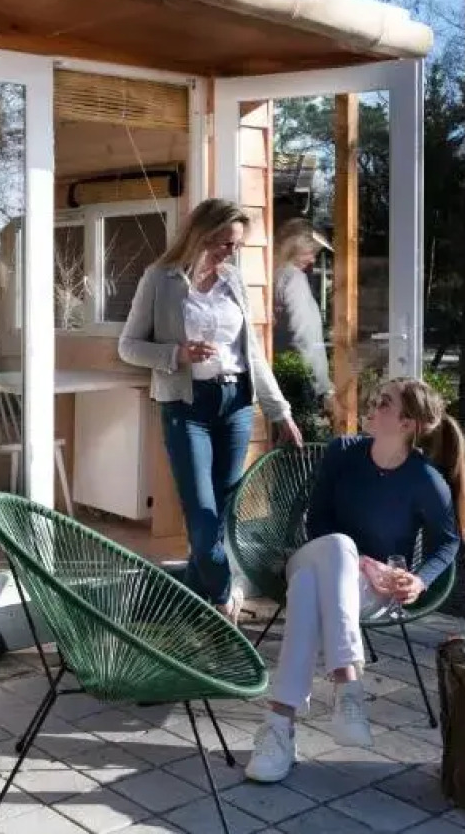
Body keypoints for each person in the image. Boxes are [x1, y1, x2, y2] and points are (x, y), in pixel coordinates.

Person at [245, 376, 465, 784]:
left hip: (367, 592)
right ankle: (347, 684)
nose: (372, 406)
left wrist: (419, 581)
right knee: (336, 546)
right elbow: (318, 522)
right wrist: (361, 559)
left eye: (384, 403)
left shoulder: (426, 481)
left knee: (306, 593)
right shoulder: (343, 452)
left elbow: (447, 543)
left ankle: (279, 728)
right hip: (314, 557)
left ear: (408, 424)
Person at [119, 198, 302, 623]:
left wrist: (281, 412)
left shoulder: (233, 280)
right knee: (201, 510)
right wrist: (177, 354)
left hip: (236, 402)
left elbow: (251, 351)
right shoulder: (159, 279)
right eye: (223, 243)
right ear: (200, 233)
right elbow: (128, 346)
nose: (228, 253)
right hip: (187, 406)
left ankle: (192, 606)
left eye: (235, 246)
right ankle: (223, 601)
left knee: (222, 511)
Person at [272, 218, 334, 421]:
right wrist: (320, 386)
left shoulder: (273, 276)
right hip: (301, 383)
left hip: (282, 377)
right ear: (294, 249)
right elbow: (302, 337)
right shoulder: (294, 279)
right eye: (311, 253)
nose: (314, 260)